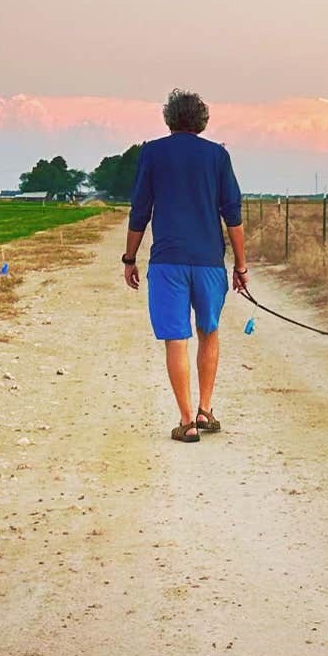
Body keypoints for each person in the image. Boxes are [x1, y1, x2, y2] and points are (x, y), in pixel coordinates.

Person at [122, 89, 247, 443]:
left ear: (169, 118)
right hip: (209, 262)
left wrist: (130, 258)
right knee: (209, 330)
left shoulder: (153, 153)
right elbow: (233, 215)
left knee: (176, 338)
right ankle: (206, 410)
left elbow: (140, 211)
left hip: (167, 263)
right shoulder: (218, 156)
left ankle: (186, 420)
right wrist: (240, 265)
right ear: (202, 121)